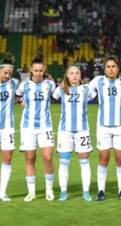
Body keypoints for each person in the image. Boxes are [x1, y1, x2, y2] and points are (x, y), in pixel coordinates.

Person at [89, 55, 121, 201]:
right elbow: (86, 93)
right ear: (104, 69)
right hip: (103, 127)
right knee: (103, 159)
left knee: (120, 159)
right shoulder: (98, 81)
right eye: (108, 66)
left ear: (118, 68)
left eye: (113, 66)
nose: (111, 69)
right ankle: (101, 191)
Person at [53, 65, 97, 201]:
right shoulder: (60, 90)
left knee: (84, 162)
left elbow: (95, 98)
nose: (74, 76)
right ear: (67, 75)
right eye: (71, 73)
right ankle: (63, 192)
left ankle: (86, 192)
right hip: (65, 131)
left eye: (77, 73)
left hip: (82, 131)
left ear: (80, 75)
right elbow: (52, 98)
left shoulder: (86, 89)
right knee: (64, 162)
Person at [16, 57, 55, 202]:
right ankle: (31, 192)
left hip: (45, 126)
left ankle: (49, 190)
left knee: (48, 158)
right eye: (36, 70)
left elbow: (60, 94)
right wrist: (20, 102)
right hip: (27, 127)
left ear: (44, 70)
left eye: (41, 70)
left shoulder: (50, 84)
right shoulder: (24, 85)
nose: (38, 73)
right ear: (31, 70)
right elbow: (17, 97)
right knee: (30, 159)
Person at [0, 54, 18, 201]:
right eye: (5, 73)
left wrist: (22, 100)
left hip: (7, 128)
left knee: (7, 158)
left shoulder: (14, 83)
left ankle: (2, 192)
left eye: (9, 74)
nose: (7, 76)